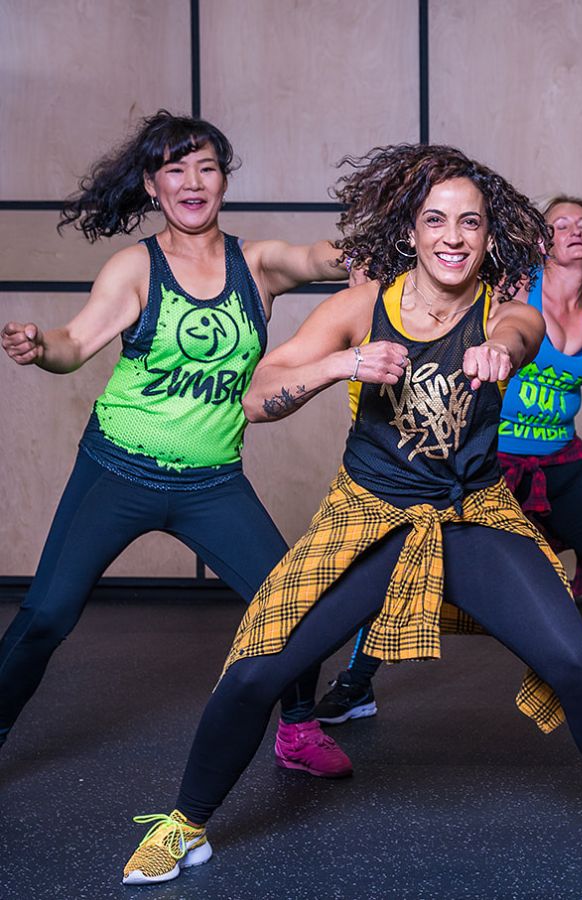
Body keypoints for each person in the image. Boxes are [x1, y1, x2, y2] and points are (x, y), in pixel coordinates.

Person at [118, 144, 582, 884]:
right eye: (436, 220)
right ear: (412, 231)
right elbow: (257, 398)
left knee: (578, 663)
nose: (453, 236)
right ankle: (185, 824)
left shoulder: (507, 312)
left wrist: (499, 355)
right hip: (370, 519)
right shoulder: (362, 306)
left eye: (470, 223)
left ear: (490, 237)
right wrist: (339, 366)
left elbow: (520, 336)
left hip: (473, 520)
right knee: (256, 672)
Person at [0, 111, 351, 778]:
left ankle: (298, 730)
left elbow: (316, 258)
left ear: (223, 179)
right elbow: (74, 345)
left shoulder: (257, 265)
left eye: (207, 167)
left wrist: (367, 243)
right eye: (175, 169)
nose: (192, 181)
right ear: (152, 184)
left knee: (292, 605)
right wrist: (39, 345)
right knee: (47, 614)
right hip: (119, 470)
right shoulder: (136, 267)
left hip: (211, 481)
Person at [312, 195, 582, 725]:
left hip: (560, 458)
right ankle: (356, 682)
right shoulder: (511, 293)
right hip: (490, 459)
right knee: (412, 566)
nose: (574, 231)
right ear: (539, 240)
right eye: (561, 224)